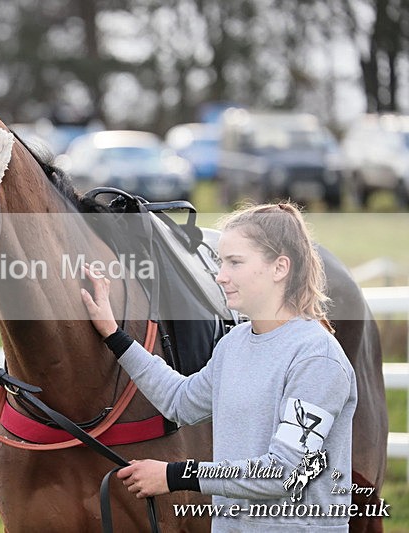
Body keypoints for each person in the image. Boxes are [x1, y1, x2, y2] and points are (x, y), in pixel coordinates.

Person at [80, 202, 357, 532]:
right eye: (220, 262)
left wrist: (174, 475)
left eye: (235, 263)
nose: (220, 276)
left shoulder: (317, 359)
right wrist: (114, 334)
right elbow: (180, 401)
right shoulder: (234, 343)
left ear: (280, 267)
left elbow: (284, 472)